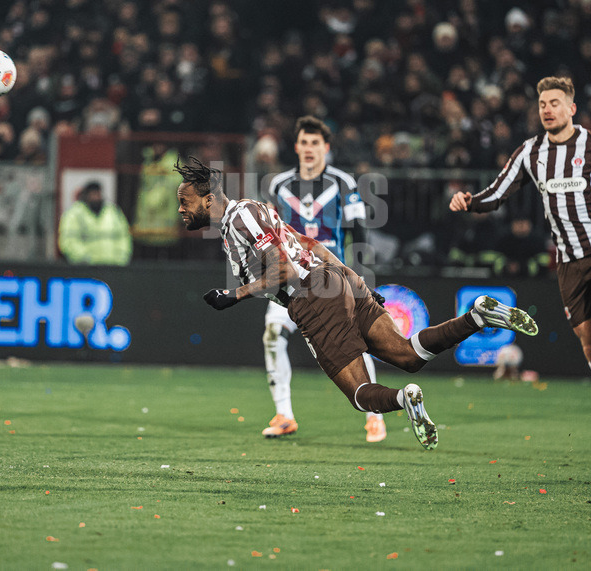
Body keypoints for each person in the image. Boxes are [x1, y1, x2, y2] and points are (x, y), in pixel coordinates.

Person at [175, 157, 538, 450]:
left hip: (313, 298)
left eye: (184, 201)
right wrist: (355, 281)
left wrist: (233, 294)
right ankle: (476, 317)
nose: (181, 209)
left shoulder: (240, 218)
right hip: (337, 283)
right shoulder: (253, 212)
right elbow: (311, 245)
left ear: (208, 199)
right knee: (408, 355)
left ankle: (403, 400)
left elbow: (283, 268)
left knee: (361, 396)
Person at [449, 76, 591, 468]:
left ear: (572, 108)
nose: (547, 109)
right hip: (567, 262)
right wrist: (470, 201)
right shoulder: (530, 152)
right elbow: (498, 192)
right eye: (542, 104)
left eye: (555, 102)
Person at [258, 115, 385, 442]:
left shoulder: (344, 182)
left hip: (331, 276)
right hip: (291, 277)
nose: (310, 149)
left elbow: (358, 232)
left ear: (326, 148)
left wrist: (358, 277)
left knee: (351, 345)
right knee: (273, 334)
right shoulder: (278, 185)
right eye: (304, 142)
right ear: (297, 147)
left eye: (316, 143)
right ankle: (284, 415)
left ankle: (374, 414)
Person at [58, 181, 133, 265]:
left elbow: (124, 237)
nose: (96, 197)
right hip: (85, 268)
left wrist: (121, 258)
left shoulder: (113, 212)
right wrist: (84, 259)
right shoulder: (74, 214)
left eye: (98, 194)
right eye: (93, 194)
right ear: (86, 196)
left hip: (113, 266)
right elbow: (68, 241)